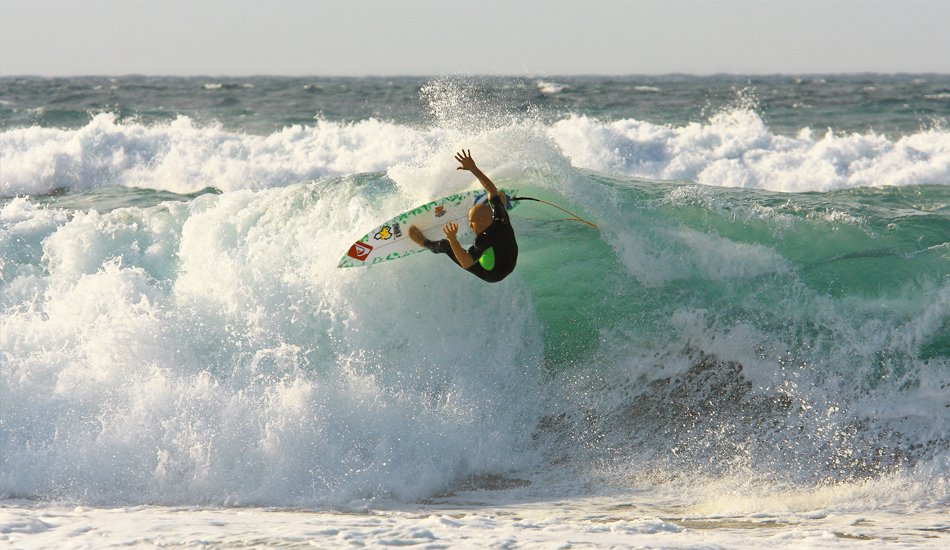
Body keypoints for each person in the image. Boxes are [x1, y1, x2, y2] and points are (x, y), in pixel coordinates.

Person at [408, 150, 518, 283]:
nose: (470, 225)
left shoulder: (482, 240)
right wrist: (473, 168)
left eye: (472, 222)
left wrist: (452, 238)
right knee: (494, 200)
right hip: (511, 264)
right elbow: (492, 190)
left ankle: (424, 242)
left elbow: (466, 262)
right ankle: (499, 202)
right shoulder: (501, 216)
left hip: (493, 274)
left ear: (482, 221)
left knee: (445, 245)